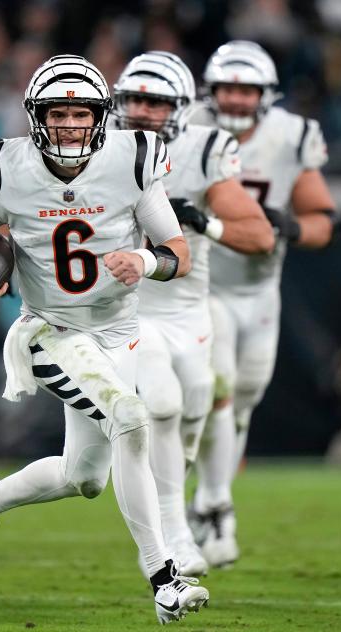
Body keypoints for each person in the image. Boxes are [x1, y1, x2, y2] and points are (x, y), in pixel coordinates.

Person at [0, 55, 209, 624]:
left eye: (79, 113)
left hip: (118, 334)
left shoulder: (131, 160)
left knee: (84, 476)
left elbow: (178, 255)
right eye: (56, 113)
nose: (68, 124)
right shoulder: (5, 166)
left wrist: (141, 259)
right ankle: (164, 579)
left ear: (100, 116)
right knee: (132, 418)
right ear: (37, 118)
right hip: (50, 331)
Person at [111, 51, 274, 577]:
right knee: (161, 404)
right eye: (133, 98)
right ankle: (173, 535)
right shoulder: (98, 148)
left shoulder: (204, 149)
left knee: (200, 401)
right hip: (129, 307)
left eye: (155, 101)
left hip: (187, 307)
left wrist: (207, 224)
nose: (141, 110)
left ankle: (187, 506)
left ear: (180, 107)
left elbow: (259, 234)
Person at [188, 41, 336, 567]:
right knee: (221, 389)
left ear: (265, 95)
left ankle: (206, 502)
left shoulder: (290, 135)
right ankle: (216, 505)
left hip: (260, 289)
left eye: (245, 88)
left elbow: (322, 219)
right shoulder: (186, 126)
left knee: (244, 397)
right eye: (226, 86)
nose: (234, 98)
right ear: (210, 89)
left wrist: (291, 226)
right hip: (205, 285)